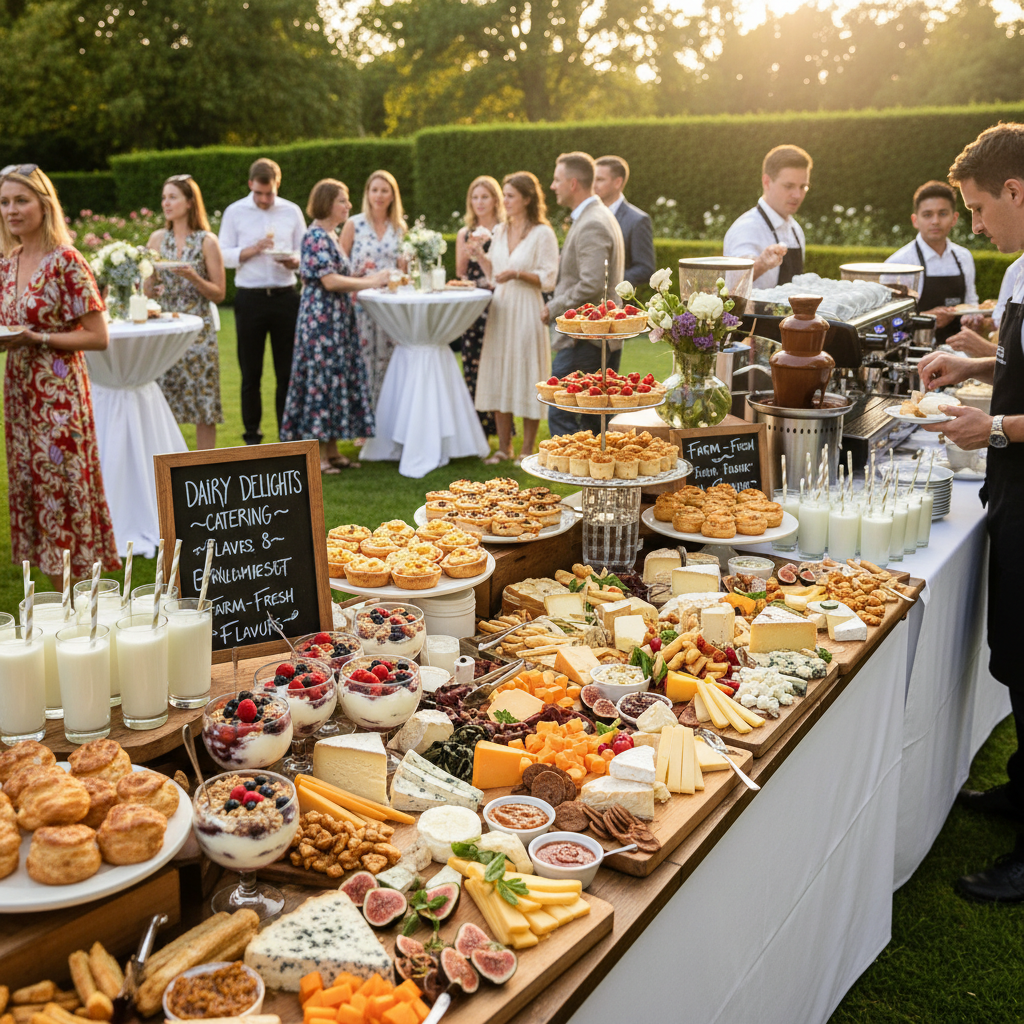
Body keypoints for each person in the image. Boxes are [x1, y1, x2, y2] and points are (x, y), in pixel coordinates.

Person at [915, 122, 1024, 903]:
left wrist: (999, 428)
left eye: (980, 207)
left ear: (1016, 190)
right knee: (1016, 650)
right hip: (1012, 485)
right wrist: (972, 361)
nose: (974, 225)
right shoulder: (1018, 272)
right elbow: (1018, 363)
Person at [0, 164, 119, 590]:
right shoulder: (7, 262)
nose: (11, 210)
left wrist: (39, 337)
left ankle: (80, 597)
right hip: (19, 395)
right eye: (4, 202)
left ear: (44, 204)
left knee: (61, 490)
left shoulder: (66, 260)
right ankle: (63, 598)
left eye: (21, 200)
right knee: (33, 489)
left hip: (58, 395)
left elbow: (98, 336)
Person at [280, 180, 390, 472]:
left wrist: (362, 274)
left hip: (337, 318)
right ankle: (316, 457)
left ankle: (332, 450)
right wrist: (372, 281)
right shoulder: (315, 235)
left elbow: (339, 274)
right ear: (327, 203)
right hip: (321, 321)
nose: (348, 206)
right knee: (320, 382)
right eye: (342, 201)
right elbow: (329, 281)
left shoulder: (331, 234)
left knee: (335, 380)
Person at [471, 172, 559, 465]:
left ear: (527, 198)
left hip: (527, 307)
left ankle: (527, 449)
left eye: (510, 196)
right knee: (499, 371)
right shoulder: (499, 230)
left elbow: (549, 278)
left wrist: (518, 274)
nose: (504, 201)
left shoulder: (542, 233)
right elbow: (494, 275)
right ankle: (503, 447)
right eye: (504, 196)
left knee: (526, 371)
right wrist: (479, 256)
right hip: (501, 307)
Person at [219, 157, 305, 445]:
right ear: (250, 185)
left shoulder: (291, 211)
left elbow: (304, 252)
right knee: (250, 372)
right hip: (250, 298)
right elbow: (223, 254)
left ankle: (287, 437)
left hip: (285, 297)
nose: (265, 199)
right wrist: (253, 249)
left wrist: (294, 261)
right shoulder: (235, 212)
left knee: (287, 373)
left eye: (270, 193)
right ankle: (252, 439)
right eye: (259, 193)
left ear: (277, 184)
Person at [541, 151, 625, 437]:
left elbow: (591, 284)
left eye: (557, 180)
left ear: (573, 183)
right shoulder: (596, 215)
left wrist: (554, 307)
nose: (553, 186)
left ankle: (574, 466)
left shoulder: (592, 222)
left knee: (564, 415)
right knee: (592, 422)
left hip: (585, 341)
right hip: (591, 339)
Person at [144, 174, 226, 450]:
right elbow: (146, 290)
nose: (166, 203)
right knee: (163, 399)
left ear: (190, 202)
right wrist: (149, 284)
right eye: (164, 198)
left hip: (199, 331)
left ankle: (205, 466)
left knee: (204, 403)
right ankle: (165, 463)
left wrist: (194, 277)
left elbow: (219, 293)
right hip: (164, 329)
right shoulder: (157, 239)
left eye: (173, 197)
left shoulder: (207, 241)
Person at [340, 170, 407, 407]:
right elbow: (339, 267)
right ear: (367, 194)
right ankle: (362, 416)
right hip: (360, 304)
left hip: (389, 305)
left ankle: (387, 414)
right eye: (374, 190)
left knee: (388, 358)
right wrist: (359, 273)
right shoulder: (354, 224)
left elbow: (404, 271)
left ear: (392, 195)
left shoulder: (399, 228)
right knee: (362, 359)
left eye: (384, 191)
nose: (379, 195)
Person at [886, 180, 978, 345]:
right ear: (915, 220)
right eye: (927, 215)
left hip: (959, 352)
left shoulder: (964, 257)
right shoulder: (899, 263)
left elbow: (971, 302)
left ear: (954, 218)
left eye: (942, 214)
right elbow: (887, 322)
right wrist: (925, 318)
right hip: (913, 351)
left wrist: (972, 317)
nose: (935, 221)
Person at [454, 176, 506, 438]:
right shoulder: (465, 233)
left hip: (498, 301)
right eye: (475, 198)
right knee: (472, 362)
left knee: (496, 364)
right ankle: (477, 430)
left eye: (484, 197)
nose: (480, 202)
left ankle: (502, 426)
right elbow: (460, 273)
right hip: (474, 305)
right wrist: (469, 249)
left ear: (495, 200)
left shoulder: (504, 230)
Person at [723, 145, 811, 289]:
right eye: (789, 186)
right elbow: (731, 285)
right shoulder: (746, 228)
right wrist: (761, 264)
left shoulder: (795, 229)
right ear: (766, 182)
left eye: (803, 187)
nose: (797, 195)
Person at [594, 156, 656, 292]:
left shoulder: (637, 220)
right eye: (592, 179)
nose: (593, 185)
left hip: (617, 301)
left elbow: (645, 268)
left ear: (617, 182)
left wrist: (607, 282)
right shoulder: (586, 216)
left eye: (600, 179)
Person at [950, 254, 1024, 356]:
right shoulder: (1016, 269)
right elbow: (1001, 331)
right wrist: (983, 328)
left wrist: (987, 349)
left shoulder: (1016, 270)